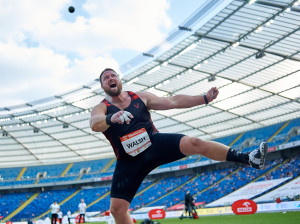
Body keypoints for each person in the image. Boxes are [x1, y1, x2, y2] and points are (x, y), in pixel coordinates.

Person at [90, 68, 268, 224]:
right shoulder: (102, 107)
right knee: (117, 209)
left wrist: (204, 98)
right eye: (105, 78)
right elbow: (94, 123)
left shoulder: (140, 97)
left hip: (154, 144)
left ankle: (249, 159)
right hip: (129, 160)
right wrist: (109, 118)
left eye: (113, 75)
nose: (110, 78)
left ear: (119, 80)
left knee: (194, 142)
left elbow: (173, 101)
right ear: (102, 86)